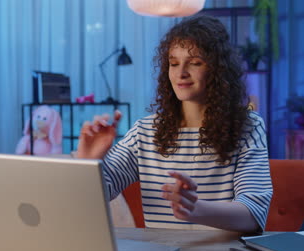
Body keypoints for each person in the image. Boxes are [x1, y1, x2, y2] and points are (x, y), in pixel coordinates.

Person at [77, 15, 272, 233]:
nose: (181, 73)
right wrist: (88, 161)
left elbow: (254, 214)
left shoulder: (248, 126)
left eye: (195, 62)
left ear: (218, 69)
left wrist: (197, 210)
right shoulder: (145, 131)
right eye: (174, 63)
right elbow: (96, 195)